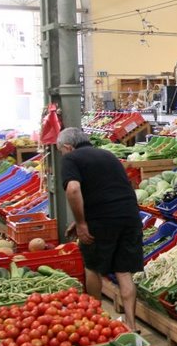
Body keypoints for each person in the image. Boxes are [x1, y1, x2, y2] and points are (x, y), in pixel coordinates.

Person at [58, 127, 142, 332]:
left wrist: (81, 223)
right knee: (124, 271)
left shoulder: (71, 158)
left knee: (92, 267)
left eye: (61, 150)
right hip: (129, 216)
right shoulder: (107, 154)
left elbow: (73, 189)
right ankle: (131, 325)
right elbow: (108, 189)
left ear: (68, 147)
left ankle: (95, 318)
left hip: (102, 221)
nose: (62, 154)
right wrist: (81, 219)